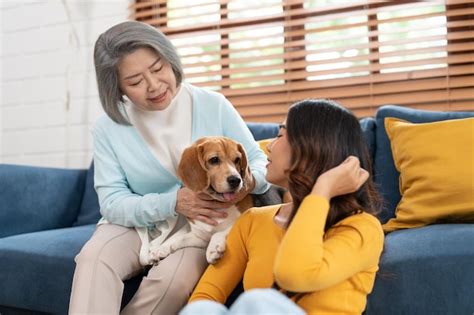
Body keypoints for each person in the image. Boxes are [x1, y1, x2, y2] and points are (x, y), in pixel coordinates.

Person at [68, 21, 270, 315]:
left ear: (170, 59)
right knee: (93, 258)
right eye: (135, 81)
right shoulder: (108, 128)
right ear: (117, 88)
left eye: (158, 68)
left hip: (205, 224)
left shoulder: (213, 104)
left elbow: (259, 161)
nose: (154, 85)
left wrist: (248, 183)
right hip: (135, 224)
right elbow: (112, 203)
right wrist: (173, 202)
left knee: (173, 282)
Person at [181, 99, 385, 315]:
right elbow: (204, 297)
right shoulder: (252, 220)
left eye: (280, 136)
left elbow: (294, 275)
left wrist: (322, 191)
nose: (269, 145)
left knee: (259, 302)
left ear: (312, 148)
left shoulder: (362, 228)